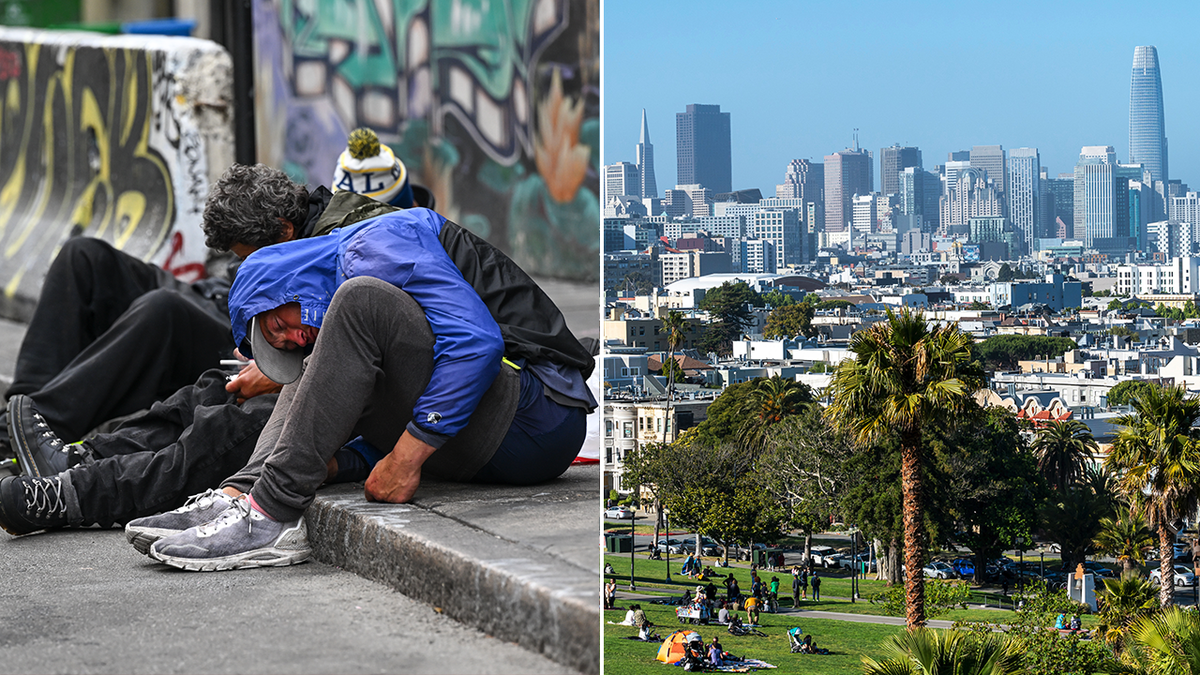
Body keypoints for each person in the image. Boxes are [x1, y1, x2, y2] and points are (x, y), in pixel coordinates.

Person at [139, 207, 595, 570]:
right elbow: (394, 392)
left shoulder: (376, 244)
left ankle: (272, 512)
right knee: (317, 348)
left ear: (288, 282)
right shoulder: (331, 303)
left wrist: (407, 457)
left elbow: (476, 345)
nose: (292, 337)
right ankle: (242, 494)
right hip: (489, 445)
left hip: (540, 415)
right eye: (279, 342)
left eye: (280, 323)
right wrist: (345, 463)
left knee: (359, 302)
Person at [0, 163, 392, 534]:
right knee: (203, 392)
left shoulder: (345, 252)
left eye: (247, 258)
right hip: (264, 340)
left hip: (328, 394)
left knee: (221, 417)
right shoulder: (308, 243)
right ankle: (71, 459)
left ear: (284, 230)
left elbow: (352, 346)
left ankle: (74, 491)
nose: (247, 268)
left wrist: (282, 369)